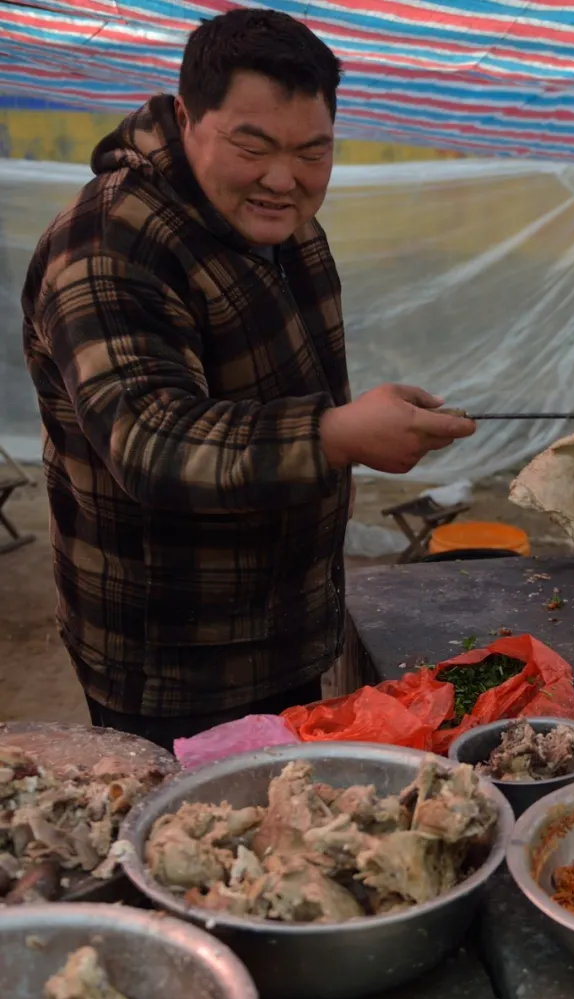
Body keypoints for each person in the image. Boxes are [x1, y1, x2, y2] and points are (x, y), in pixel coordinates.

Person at [22, 8, 475, 750]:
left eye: (313, 152)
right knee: (203, 850)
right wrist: (334, 434)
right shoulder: (108, 243)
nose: (283, 179)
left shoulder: (284, 220)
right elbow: (151, 442)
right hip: (174, 657)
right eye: (252, 145)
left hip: (283, 621)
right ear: (184, 116)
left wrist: (357, 424)